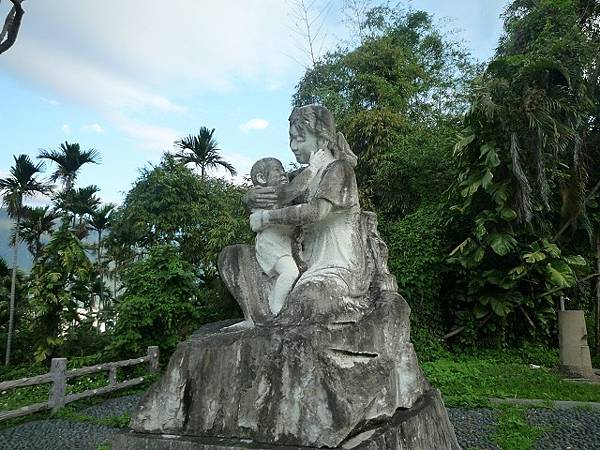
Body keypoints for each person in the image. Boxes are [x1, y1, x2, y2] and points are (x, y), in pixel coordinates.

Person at [249, 104, 370, 324]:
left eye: (300, 139)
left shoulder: (338, 170)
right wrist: (249, 196)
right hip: (307, 265)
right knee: (298, 303)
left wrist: (265, 218)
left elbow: (315, 211)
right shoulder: (304, 174)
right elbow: (281, 192)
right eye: (291, 139)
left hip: (338, 266)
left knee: (305, 304)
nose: (293, 146)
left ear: (322, 141)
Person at [249, 157, 299, 315]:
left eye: (283, 170)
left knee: (293, 273)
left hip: (285, 243)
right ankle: (276, 306)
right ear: (261, 178)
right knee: (291, 272)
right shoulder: (265, 195)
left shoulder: (281, 193)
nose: (284, 174)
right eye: (278, 170)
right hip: (271, 244)